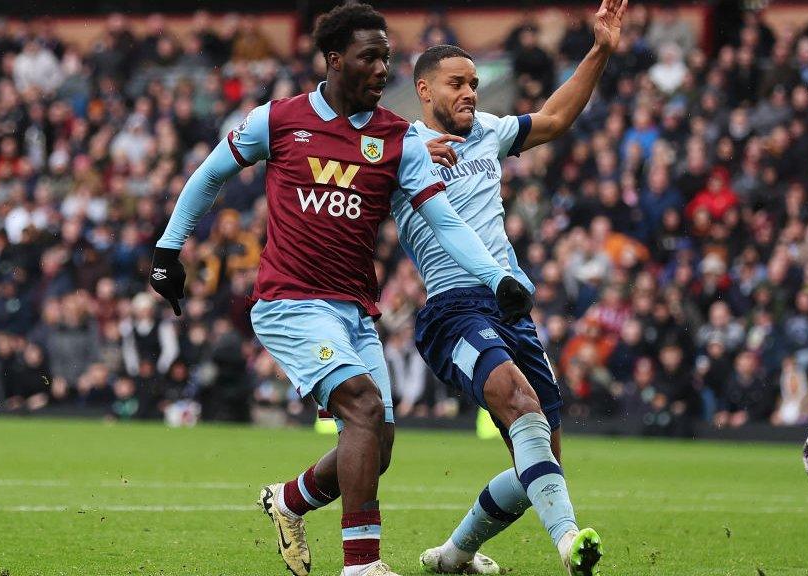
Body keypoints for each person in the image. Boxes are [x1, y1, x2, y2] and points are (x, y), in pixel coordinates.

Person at [147, 5, 533, 576]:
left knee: (378, 447)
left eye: (387, 57)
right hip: (289, 301)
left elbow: (446, 221)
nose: (383, 69)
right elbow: (208, 177)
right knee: (363, 407)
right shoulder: (276, 121)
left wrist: (497, 276)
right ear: (334, 60)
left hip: (355, 309)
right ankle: (361, 565)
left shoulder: (397, 139)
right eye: (369, 57)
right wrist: (167, 250)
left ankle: (288, 501)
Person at [397, 1, 627, 574]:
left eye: (475, 82)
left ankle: (455, 554)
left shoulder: (490, 134)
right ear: (424, 90)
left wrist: (599, 51)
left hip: (511, 307)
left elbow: (554, 120)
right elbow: (343, 158)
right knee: (522, 408)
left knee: (540, 465)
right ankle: (570, 542)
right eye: (457, 84)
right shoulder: (397, 149)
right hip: (454, 309)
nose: (470, 93)